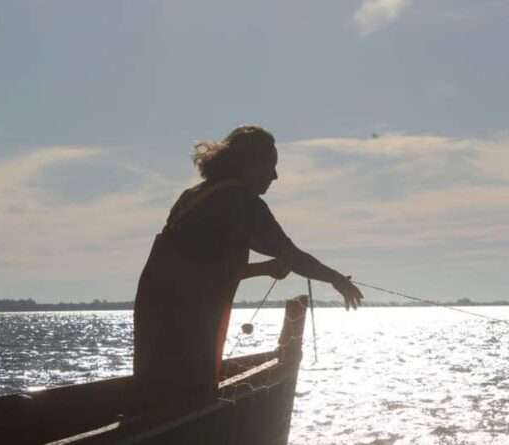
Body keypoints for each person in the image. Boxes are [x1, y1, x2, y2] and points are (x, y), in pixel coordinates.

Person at [133, 125, 362, 396]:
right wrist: (336, 279)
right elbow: (293, 256)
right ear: (249, 164)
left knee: (153, 394)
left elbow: (202, 268)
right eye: (271, 166)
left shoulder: (194, 195)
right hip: (186, 326)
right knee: (189, 397)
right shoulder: (239, 201)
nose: (275, 176)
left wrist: (264, 269)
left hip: (153, 320)